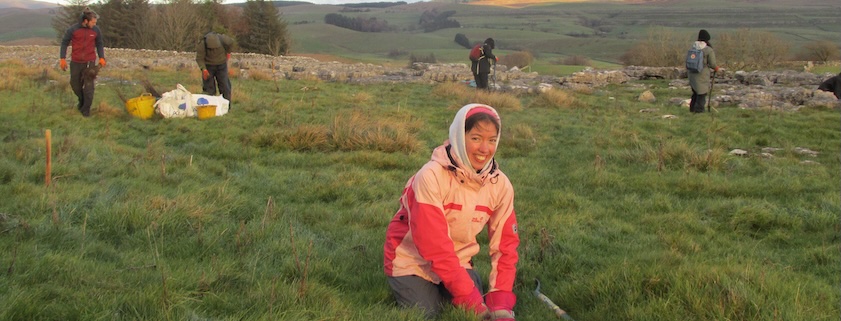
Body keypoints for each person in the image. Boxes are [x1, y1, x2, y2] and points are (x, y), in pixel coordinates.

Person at [384, 103, 519, 320]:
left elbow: (505, 247)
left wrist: (501, 302)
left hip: (459, 260)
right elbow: (434, 244)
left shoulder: (500, 185)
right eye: (476, 138)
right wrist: (470, 298)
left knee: (471, 313)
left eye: (492, 140)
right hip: (411, 261)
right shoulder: (431, 176)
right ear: (458, 136)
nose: (484, 149)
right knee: (430, 313)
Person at [59, 7, 105, 117]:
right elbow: (64, 43)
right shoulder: (73, 30)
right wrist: (62, 58)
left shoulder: (96, 30)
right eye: (93, 22)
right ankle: (82, 101)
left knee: (89, 88)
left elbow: (99, 43)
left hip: (90, 62)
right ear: (85, 21)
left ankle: (85, 111)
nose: (94, 24)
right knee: (75, 85)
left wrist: (102, 57)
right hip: (75, 62)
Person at [196, 31, 235, 105]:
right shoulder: (202, 44)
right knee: (209, 88)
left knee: (224, 86)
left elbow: (231, 42)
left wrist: (228, 52)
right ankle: (209, 105)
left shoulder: (223, 39)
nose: (213, 50)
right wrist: (203, 69)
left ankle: (226, 105)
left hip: (221, 65)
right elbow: (199, 58)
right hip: (208, 67)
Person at [687, 29, 719, 113]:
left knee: (695, 92)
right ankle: (699, 111)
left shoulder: (693, 47)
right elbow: (712, 64)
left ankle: (692, 109)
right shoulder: (708, 50)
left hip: (691, 73)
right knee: (702, 93)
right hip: (702, 74)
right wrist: (716, 68)